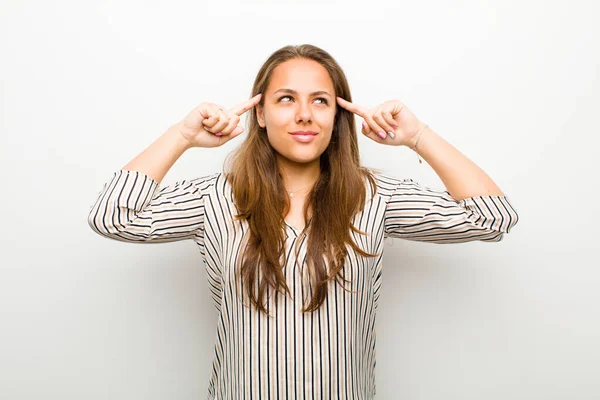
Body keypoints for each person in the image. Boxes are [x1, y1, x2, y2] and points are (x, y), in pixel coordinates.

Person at [88, 44, 519, 399]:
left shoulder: (374, 197)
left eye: (320, 101)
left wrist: (417, 134)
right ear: (259, 113)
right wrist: (182, 136)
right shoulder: (215, 198)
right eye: (286, 99)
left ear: (338, 116)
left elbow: (493, 217)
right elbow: (112, 217)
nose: (304, 115)